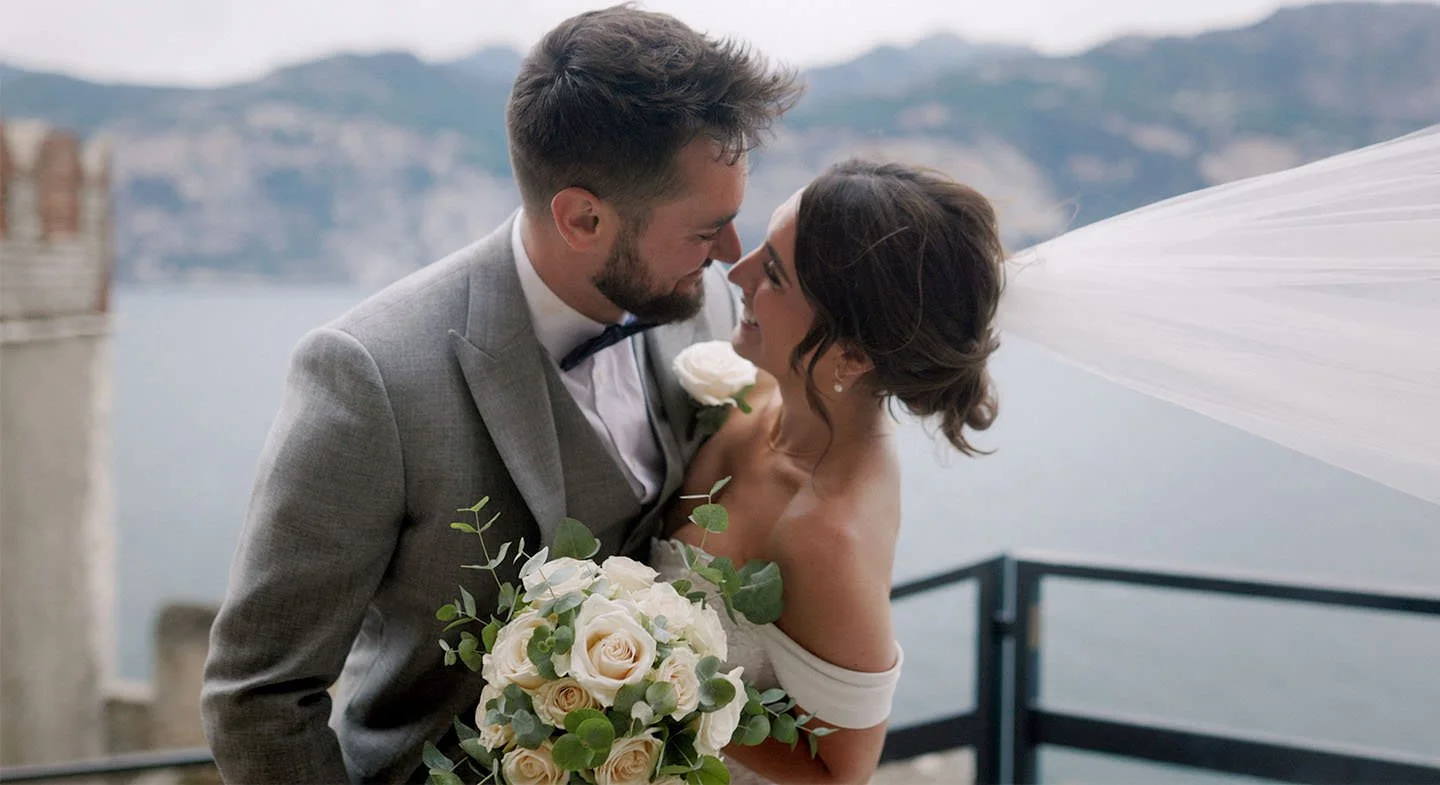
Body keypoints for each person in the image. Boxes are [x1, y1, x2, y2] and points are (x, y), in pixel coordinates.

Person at [200, 6, 801, 782]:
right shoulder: (369, 375)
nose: (729, 253)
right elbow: (260, 693)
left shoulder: (704, 307)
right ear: (583, 217)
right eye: (703, 230)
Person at [652, 159, 1005, 785]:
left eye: (775, 276)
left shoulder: (827, 534)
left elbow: (840, 774)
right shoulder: (757, 391)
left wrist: (655, 698)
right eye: (763, 247)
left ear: (853, 354)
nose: (736, 273)